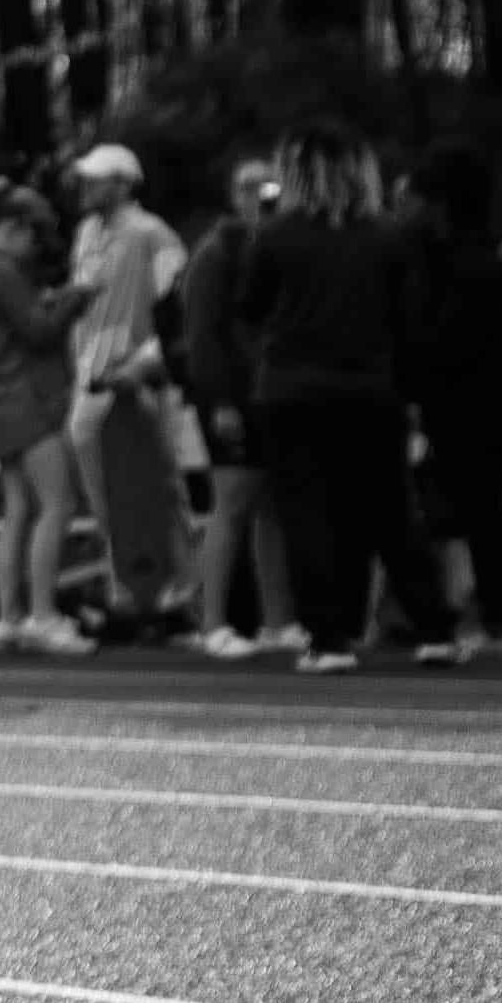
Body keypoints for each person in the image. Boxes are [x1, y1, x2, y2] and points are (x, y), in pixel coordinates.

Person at [243, 122, 464, 671]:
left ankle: (329, 638)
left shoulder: (275, 234)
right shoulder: (387, 235)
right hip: (369, 388)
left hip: (291, 389)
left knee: (307, 512)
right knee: (390, 510)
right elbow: (409, 321)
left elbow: (250, 307)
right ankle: (434, 627)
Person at [396, 144, 502, 649]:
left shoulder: (466, 265)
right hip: (477, 405)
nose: (405, 209)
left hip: (476, 407)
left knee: (489, 510)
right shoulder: (472, 257)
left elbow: (450, 343)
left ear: (437, 203)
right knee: (484, 511)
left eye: (414, 198)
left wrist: (416, 384)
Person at [60, 143, 193, 637]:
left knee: (161, 486)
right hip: (90, 384)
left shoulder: (152, 234)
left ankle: (183, 594)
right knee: (106, 496)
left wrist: (147, 363)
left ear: (124, 183)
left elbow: (177, 311)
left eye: (98, 179)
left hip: (139, 381)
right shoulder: (86, 233)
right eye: (87, 179)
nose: (88, 188)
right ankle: (130, 592)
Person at [176, 157, 301, 657]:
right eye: (250, 188)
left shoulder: (268, 248)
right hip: (228, 396)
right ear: (234, 194)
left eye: (268, 188)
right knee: (231, 505)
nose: (261, 198)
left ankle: (277, 619)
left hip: (265, 392)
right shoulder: (215, 254)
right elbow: (203, 337)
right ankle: (212, 623)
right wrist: (221, 400)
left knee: (271, 507)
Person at [0, 186, 82, 652]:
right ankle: (44, 615)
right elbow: (39, 331)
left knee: (18, 510)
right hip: (23, 401)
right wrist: (76, 297)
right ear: (13, 229)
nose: (34, 251)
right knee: (58, 503)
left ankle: (8, 616)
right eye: (33, 239)